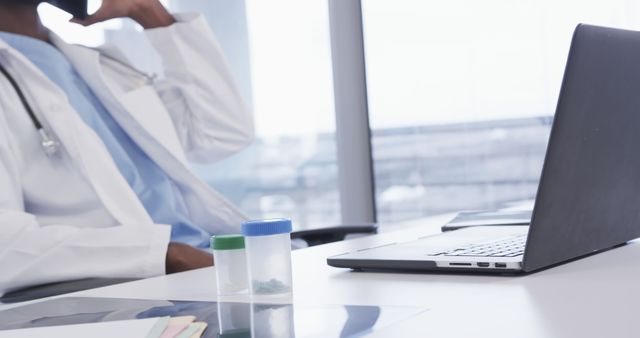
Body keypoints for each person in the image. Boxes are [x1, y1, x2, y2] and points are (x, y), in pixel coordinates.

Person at [0, 0, 254, 296]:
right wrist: (165, 255)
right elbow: (6, 247)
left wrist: (152, 15)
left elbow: (221, 133)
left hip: (210, 265)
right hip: (143, 291)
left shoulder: (87, 60)